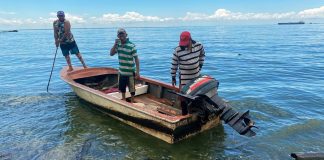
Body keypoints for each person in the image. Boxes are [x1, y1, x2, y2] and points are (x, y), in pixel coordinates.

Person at [171, 31, 205, 115]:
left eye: (185, 43)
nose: (184, 45)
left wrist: (200, 64)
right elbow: (174, 64)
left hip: (196, 76)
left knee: (195, 94)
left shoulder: (199, 46)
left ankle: (194, 112)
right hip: (184, 77)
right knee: (183, 96)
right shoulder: (177, 50)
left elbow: (202, 55)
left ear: (190, 40)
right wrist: (173, 76)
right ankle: (184, 114)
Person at [110, 28, 140, 103]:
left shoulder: (131, 45)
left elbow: (136, 59)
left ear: (126, 35)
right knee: (122, 88)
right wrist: (115, 44)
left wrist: (138, 72)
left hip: (130, 72)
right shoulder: (118, 45)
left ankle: (132, 101)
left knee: (132, 89)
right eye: (119, 34)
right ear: (118, 36)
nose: (121, 35)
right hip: (122, 72)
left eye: (122, 34)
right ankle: (123, 99)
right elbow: (111, 53)